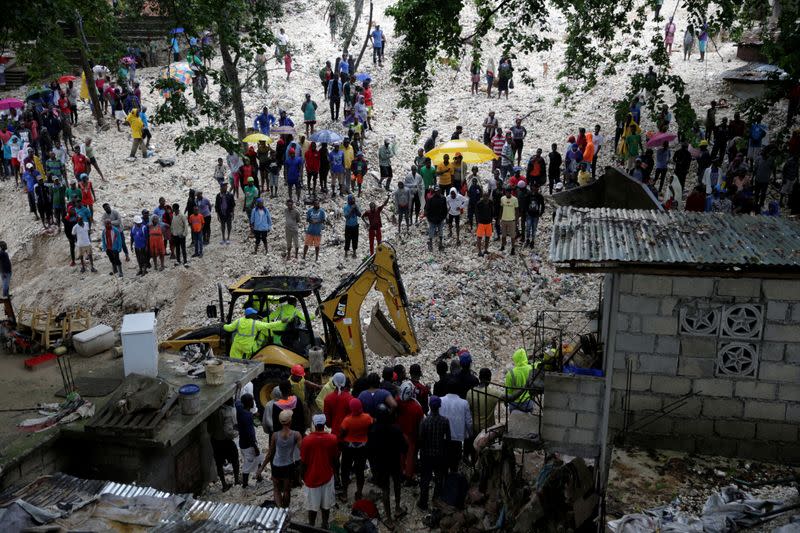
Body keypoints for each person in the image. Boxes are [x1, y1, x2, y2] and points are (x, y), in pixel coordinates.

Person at [367, 405, 407, 526]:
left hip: (380, 465)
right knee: (397, 484)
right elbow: (405, 447)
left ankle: (389, 519)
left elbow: (369, 450)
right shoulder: (396, 429)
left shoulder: (372, 430)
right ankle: (398, 508)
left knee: (385, 490)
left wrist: (373, 466)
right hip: (394, 461)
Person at [301, 414, 339, 529]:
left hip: (311, 478)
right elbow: (335, 459)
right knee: (326, 505)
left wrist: (303, 477)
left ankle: (311, 525)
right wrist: (335, 474)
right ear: (324, 425)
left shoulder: (307, 440)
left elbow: (303, 462)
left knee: (312, 506)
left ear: (314, 424)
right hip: (327, 475)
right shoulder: (332, 438)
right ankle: (325, 524)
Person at [417, 395, 451, 510]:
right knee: (439, 478)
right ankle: (436, 499)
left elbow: (420, 439)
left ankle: (423, 502)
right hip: (440, 454)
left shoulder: (425, 422)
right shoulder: (445, 421)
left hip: (426, 454)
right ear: (439, 406)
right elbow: (448, 439)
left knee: (425, 479)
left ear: (430, 406)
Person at [338, 397, 372, 502]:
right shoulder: (367, 418)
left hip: (349, 447)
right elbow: (370, 427)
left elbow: (342, 434)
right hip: (362, 447)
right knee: (360, 471)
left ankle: (344, 494)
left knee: (345, 470)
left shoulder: (347, 420)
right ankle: (359, 493)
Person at [267, 409, 302, 507]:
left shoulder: (275, 435)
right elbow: (302, 451)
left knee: (276, 489)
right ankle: (285, 510)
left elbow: (270, 453)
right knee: (287, 490)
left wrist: (261, 468)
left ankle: (279, 510)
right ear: (290, 421)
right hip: (288, 465)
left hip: (276, 465)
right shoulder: (296, 434)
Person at [208, 398, 239, 492]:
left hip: (215, 440)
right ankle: (237, 480)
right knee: (235, 460)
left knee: (219, 463)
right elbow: (228, 432)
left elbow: (209, 428)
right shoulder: (228, 412)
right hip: (226, 441)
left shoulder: (213, 410)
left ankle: (224, 484)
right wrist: (237, 433)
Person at [395, 381, 423, 482]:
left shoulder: (397, 401)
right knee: (411, 456)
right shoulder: (417, 407)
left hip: (400, 433)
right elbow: (420, 424)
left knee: (401, 454)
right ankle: (409, 475)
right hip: (411, 435)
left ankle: (401, 472)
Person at [235, 393, 260, 488]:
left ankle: (259, 476)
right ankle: (244, 484)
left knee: (258, 459)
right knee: (248, 465)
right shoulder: (248, 416)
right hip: (249, 444)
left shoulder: (239, 409)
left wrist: (238, 388)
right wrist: (255, 446)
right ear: (248, 403)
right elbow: (250, 434)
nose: (253, 402)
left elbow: (237, 399)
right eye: (252, 400)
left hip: (242, 442)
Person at [425, 187, 447, 252]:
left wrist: (443, 217)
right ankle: (431, 244)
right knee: (431, 231)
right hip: (432, 219)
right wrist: (429, 218)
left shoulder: (443, 198)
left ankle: (440, 244)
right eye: (436, 191)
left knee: (440, 231)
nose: (437, 192)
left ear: (440, 191)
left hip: (440, 218)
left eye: (438, 191)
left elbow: (445, 209)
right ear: (434, 191)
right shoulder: (430, 199)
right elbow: (427, 209)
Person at [499, 185, 518, 254]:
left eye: (508, 192)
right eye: (506, 192)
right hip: (504, 219)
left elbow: (516, 210)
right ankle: (503, 246)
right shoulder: (502, 198)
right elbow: (501, 209)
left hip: (512, 220)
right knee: (503, 235)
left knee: (512, 235)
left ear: (511, 192)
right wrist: (499, 218)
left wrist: (517, 220)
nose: (507, 193)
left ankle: (513, 248)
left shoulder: (515, 199)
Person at [526, 183, 545, 247]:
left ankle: (532, 241)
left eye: (536, 188)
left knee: (534, 228)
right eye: (533, 188)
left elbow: (543, 205)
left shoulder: (540, 196)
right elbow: (526, 203)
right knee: (528, 228)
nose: (534, 189)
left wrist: (541, 213)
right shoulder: (529, 195)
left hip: (536, 215)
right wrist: (526, 212)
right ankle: (527, 239)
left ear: (538, 189)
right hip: (529, 214)